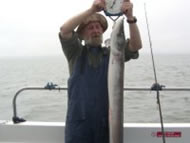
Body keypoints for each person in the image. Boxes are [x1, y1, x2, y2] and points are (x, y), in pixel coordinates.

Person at [59, 0, 142, 143]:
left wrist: (130, 18)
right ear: (82, 34)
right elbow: (64, 30)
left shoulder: (113, 54)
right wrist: (92, 10)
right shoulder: (74, 52)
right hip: (78, 126)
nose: (96, 31)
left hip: (106, 125)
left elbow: (136, 46)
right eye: (90, 28)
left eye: (98, 27)